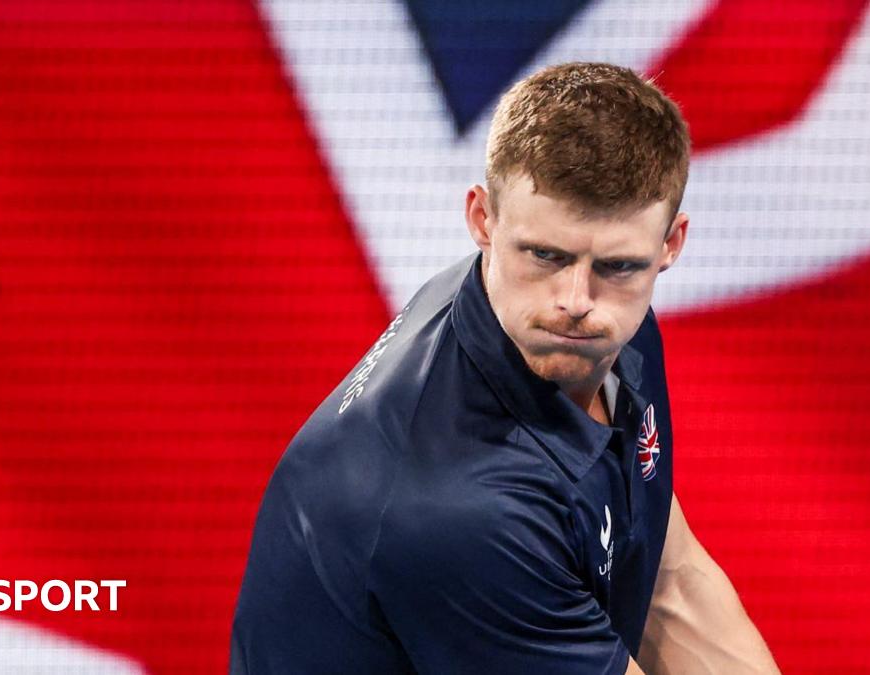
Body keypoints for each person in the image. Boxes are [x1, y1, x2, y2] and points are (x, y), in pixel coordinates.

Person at [229, 62, 780, 674]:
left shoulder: (600, 333)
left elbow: (670, 587)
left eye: (619, 266)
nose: (577, 301)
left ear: (669, 246)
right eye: (546, 255)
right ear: (482, 219)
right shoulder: (462, 511)